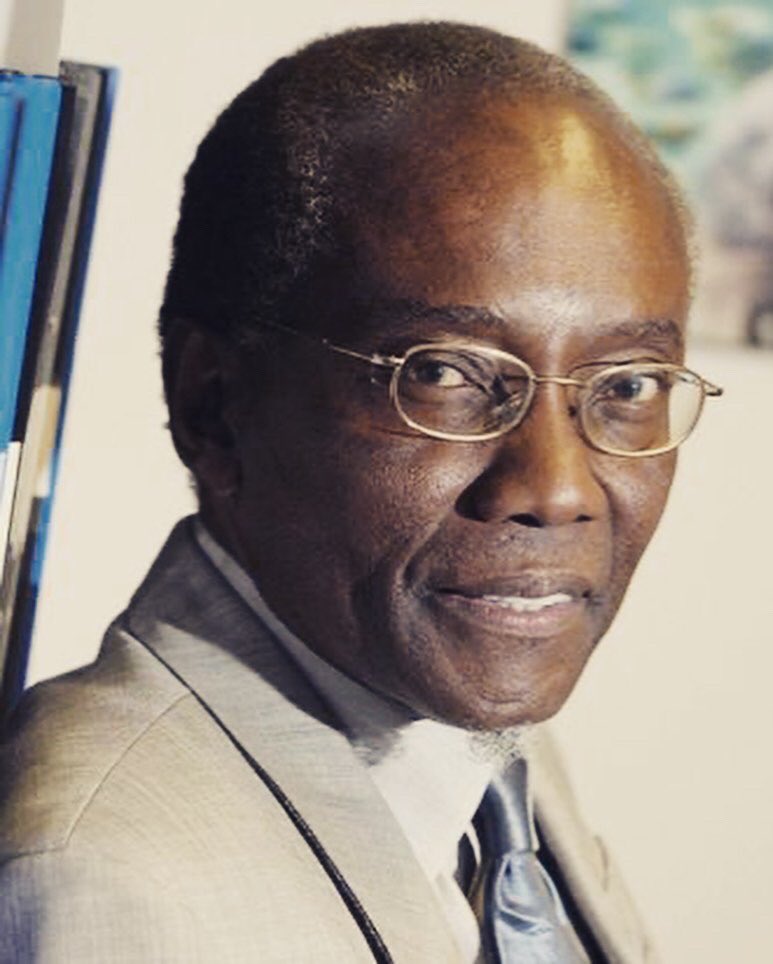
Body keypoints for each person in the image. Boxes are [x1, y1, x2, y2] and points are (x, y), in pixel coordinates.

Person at [0, 22, 721, 963]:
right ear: (214, 407)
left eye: (626, 385)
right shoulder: (101, 884)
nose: (553, 488)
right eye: (445, 375)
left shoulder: (476, 760)